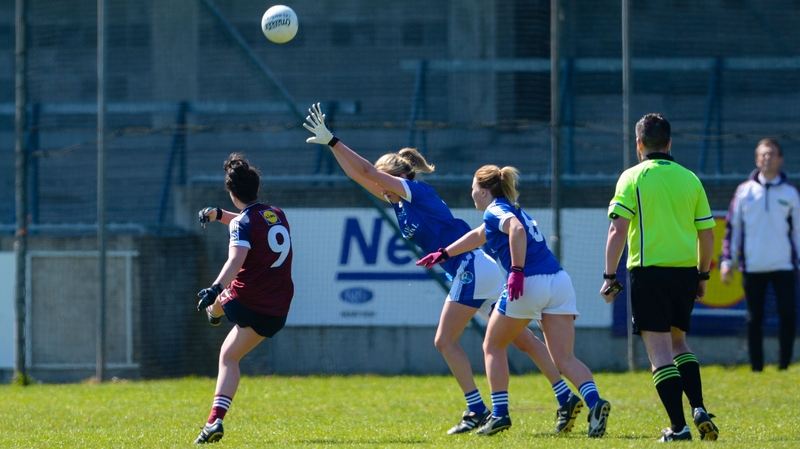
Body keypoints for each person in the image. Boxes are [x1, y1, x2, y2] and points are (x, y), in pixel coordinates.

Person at [303, 103, 584, 435]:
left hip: (471, 266)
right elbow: (357, 174)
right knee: (522, 340)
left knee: (444, 340)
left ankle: (477, 409)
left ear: (398, 177)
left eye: (384, 179)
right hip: (480, 268)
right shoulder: (396, 199)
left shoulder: (413, 191)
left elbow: (366, 172)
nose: (378, 186)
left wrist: (334, 140)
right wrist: (331, 147)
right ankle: (565, 397)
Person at [418, 164, 611, 438]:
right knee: (564, 358)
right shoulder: (509, 208)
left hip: (529, 282)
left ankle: (499, 414)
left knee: (492, 345)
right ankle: (595, 402)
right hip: (558, 281)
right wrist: (444, 253)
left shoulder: (496, 209)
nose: (471, 192)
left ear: (484, 191)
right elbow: (479, 236)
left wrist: (517, 272)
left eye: (473, 187)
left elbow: (516, 231)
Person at [601, 113, 718, 442]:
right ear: (669, 143)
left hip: (649, 273)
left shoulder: (632, 177)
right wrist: (703, 273)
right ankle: (698, 407)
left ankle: (679, 429)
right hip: (685, 273)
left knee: (659, 353)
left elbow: (617, 229)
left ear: (638, 144)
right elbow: (707, 234)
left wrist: (610, 275)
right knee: (679, 342)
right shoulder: (690, 178)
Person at [193, 153, 295, 444]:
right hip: (277, 309)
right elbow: (249, 222)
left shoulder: (242, 224)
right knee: (229, 355)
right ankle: (214, 421)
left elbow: (236, 259)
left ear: (232, 192)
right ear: (256, 188)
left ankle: (215, 309)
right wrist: (218, 214)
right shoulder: (276, 214)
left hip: (246, 299)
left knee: (224, 307)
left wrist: (214, 287)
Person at [720, 138, 800, 372]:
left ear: (780, 159)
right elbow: (733, 228)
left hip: (784, 266)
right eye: (763, 154)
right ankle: (757, 368)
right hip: (753, 266)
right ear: (757, 159)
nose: (767, 158)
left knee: (787, 314)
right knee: (754, 318)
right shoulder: (744, 192)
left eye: (772, 154)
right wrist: (727, 260)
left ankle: (784, 365)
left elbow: (797, 231)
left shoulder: (790, 193)